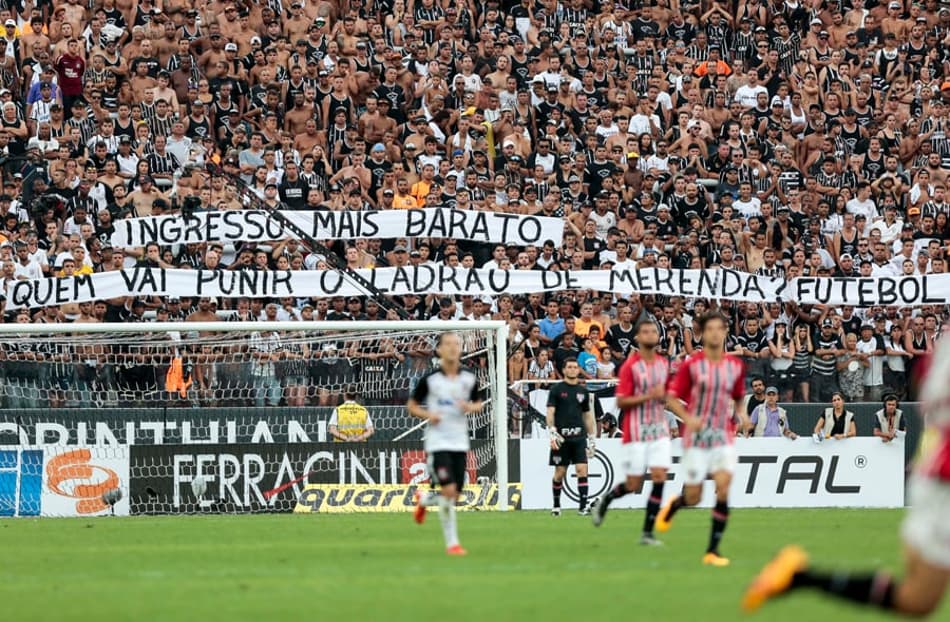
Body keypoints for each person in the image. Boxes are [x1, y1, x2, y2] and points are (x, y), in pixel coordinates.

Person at [742, 329, 950, 617]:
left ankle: (802, 578)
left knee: (917, 601)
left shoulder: (940, 353)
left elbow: (924, 383)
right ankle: (800, 577)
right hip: (942, 484)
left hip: (934, 479)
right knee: (917, 599)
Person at [656, 311, 751, 566]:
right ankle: (677, 504)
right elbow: (671, 398)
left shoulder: (735, 366)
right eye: (711, 328)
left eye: (721, 328)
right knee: (695, 497)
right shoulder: (693, 365)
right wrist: (689, 419)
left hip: (722, 435)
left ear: (725, 333)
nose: (716, 333)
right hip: (698, 437)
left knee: (723, 488)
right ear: (704, 332)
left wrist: (742, 415)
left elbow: (739, 396)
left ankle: (713, 550)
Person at [592, 319, 670, 546]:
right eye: (645, 331)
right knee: (634, 484)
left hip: (659, 429)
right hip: (636, 430)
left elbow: (666, 397)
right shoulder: (630, 366)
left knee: (659, 477)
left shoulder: (663, 364)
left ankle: (647, 533)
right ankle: (606, 500)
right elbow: (622, 402)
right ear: (637, 337)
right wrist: (649, 396)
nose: (650, 335)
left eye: (653, 331)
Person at [407, 332, 485, 556]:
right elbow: (411, 406)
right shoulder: (430, 380)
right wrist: (428, 415)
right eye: (448, 344)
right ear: (439, 350)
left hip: (460, 442)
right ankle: (453, 543)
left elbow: (479, 404)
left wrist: (469, 407)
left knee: (455, 495)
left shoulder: (468, 378)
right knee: (449, 490)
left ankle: (424, 498)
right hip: (437, 442)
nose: (452, 348)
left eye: (456, 344)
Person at [547, 358, 596, 516]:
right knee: (559, 473)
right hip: (562, 439)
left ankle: (582, 507)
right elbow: (550, 412)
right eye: (570, 367)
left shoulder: (583, 391)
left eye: (575, 367)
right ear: (564, 370)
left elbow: (588, 415)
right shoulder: (556, 389)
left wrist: (592, 437)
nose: (573, 369)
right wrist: (552, 430)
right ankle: (556, 506)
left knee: (582, 470)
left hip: (579, 438)